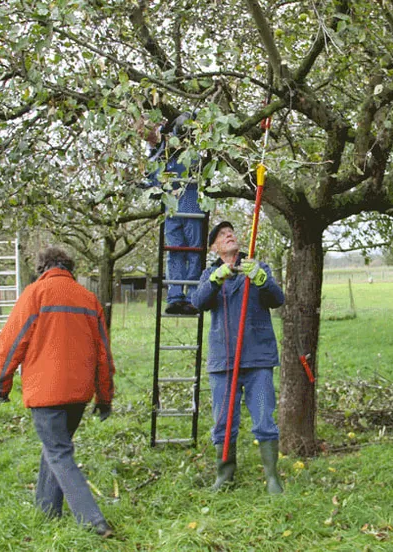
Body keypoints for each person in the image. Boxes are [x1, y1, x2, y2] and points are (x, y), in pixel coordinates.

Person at [0, 247, 116, 537]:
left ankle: (93, 521)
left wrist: (0, 386)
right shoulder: (88, 298)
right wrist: (104, 397)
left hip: (46, 393)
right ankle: (46, 512)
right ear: (69, 268)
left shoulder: (35, 294)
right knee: (55, 448)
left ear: (42, 268)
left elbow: (11, 344)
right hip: (80, 394)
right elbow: (103, 354)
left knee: (59, 452)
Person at [190, 221, 286, 494]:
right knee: (223, 421)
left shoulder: (256, 267)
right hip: (224, 361)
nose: (229, 235)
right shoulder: (209, 273)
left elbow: (277, 299)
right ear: (214, 248)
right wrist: (214, 280)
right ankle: (225, 475)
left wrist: (262, 280)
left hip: (257, 358)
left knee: (264, 419)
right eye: (222, 234)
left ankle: (272, 478)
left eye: (230, 231)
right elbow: (197, 302)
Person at [143, 112, 204, 316]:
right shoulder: (158, 155)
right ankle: (175, 296)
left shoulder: (187, 148)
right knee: (174, 251)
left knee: (194, 250)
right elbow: (154, 180)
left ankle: (193, 296)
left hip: (191, 202)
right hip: (171, 208)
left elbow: (193, 166)